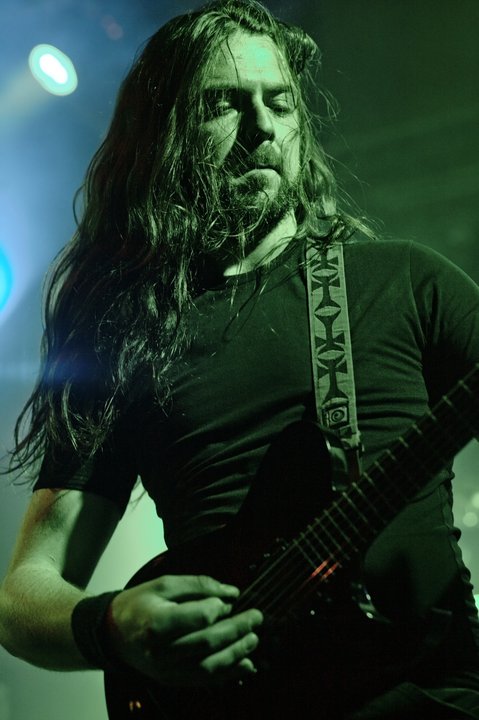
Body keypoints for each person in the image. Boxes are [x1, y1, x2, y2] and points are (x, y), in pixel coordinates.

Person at [1, 0, 479, 718]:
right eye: (223, 104)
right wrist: (114, 626)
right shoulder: (127, 331)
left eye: (279, 103)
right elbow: (23, 595)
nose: (262, 127)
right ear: (163, 133)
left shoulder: (406, 281)